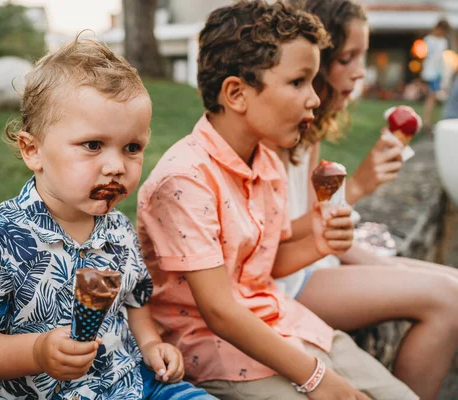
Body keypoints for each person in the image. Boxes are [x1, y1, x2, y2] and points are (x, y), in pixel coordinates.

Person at [137, 1, 418, 399]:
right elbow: (219, 312)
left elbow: (265, 265)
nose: (315, 99)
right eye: (298, 81)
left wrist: (319, 241)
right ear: (236, 93)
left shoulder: (267, 161)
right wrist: (319, 379)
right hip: (216, 352)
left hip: (286, 324)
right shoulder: (185, 180)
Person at [0, 38, 216, 400]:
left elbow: (134, 300)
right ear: (32, 150)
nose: (116, 166)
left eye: (132, 148)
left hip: (129, 383)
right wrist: (36, 352)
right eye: (93, 145)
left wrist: (150, 344)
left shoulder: (118, 229)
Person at [271, 1, 458, 399]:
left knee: (452, 282)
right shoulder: (273, 134)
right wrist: (358, 186)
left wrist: (374, 260)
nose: (360, 71)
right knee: (448, 299)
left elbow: (312, 215)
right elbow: (281, 240)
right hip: (287, 280)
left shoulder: (310, 131)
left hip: (314, 261)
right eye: (347, 58)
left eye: (363, 55)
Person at [422, 19, 451, 131]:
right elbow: (427, 58)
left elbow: (441, 59)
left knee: (432, 98)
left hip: (438, 73)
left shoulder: (443, 41)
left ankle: (429, 121)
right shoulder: (428, 40)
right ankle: (427, 122)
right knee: (431, 98)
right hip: (430, 73)